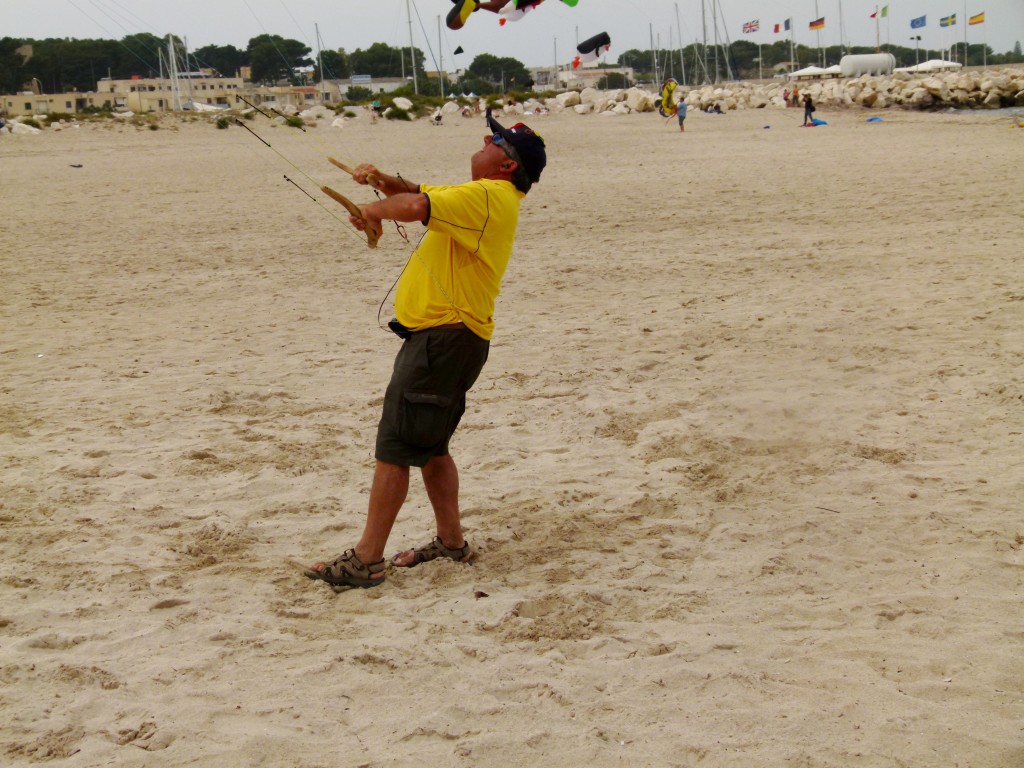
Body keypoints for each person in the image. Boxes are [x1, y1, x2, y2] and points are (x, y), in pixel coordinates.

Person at [302, 111, 547, 589]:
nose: (485, 139)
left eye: (495, 139)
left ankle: (367, 560)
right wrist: (381, 181)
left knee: (395, 447)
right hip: (455, 340)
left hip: (444, 338)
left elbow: (416, 207)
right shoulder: (486, 196)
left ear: (508, 165)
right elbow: (420, 194)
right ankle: (451, 543)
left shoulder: (489, 196)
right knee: (433, 449)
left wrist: (373, 211)